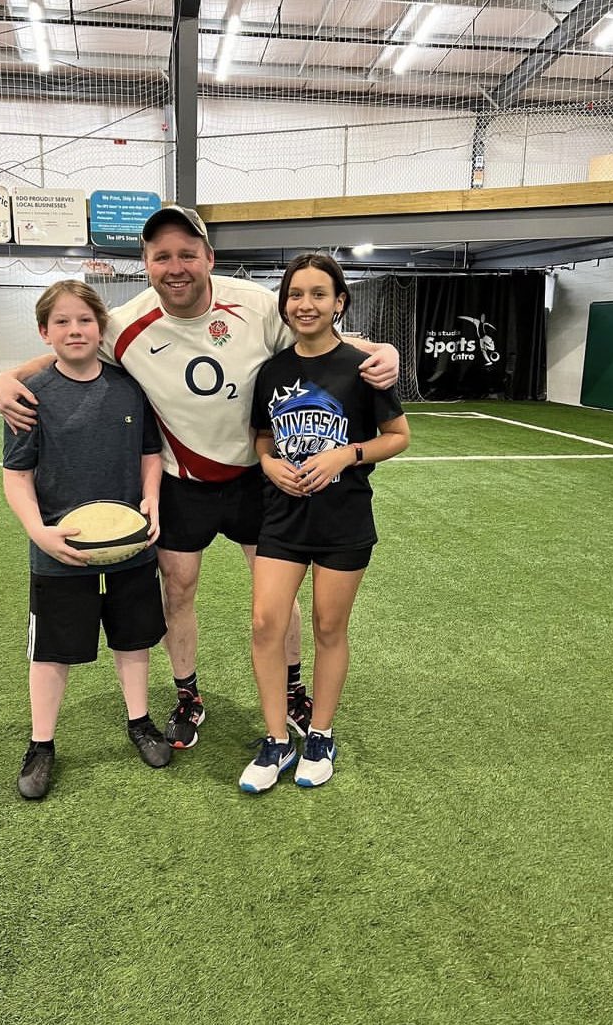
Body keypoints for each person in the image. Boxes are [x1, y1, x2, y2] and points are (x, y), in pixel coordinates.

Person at [0, 206, 400, 752]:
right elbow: (71, 345)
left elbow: (325, 337)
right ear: (146, 264)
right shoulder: (126, 323)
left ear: (210, 258)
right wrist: (7, 377)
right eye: (162, 256)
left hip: (261, 477)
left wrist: (384, 351)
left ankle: (294, 687)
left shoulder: (258, 306)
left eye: (188, 254)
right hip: (181, 482)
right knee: (178, 591)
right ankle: (187, 695)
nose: (176, 266)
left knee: (276, 595)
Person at [239, 253, 410, 793]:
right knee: (267, 623)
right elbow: (262, 440)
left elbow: (399, 435)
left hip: (344, 521)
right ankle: (275, 741)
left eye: (318, 294)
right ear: (284, 303)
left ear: (339, 302)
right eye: (295, 294)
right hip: (283, 519)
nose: (305, 304)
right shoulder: (272, 371)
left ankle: (320, 734)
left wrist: (347, 455)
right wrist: (268, 465)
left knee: (328, 628)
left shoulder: (364, 366)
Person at [3, 280, 169, 800]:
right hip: (60, 547)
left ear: (101, 330)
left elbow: (149, 454)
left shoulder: (129, 387)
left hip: (127, 544)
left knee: (133, 636)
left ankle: (139, 721)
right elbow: (17, 476)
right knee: (52, 650)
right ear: (43, 332)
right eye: (62, 322)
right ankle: (41, 745)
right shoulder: (29, 396)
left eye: (85, 321)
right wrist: (39, 533)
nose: (75, 330)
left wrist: (151, 499)